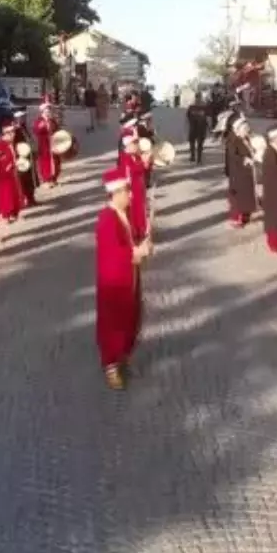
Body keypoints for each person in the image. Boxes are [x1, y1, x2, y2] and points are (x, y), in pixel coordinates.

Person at [95, 167, 151, 390]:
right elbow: (113, 253)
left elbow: (127, 244)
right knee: (113, 323)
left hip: (129, 278)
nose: (131, 195)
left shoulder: (121, 215)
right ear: (116, 193)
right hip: (114, 283)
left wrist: (140, 246)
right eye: (127, 191)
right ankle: (110, 365)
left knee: (130, 318)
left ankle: (124, 357)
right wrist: (136, 253)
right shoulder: (107, 219)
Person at [118, 128, 151, 242]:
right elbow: (131, 171)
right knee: (133, 213)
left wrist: (147, 163)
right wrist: (143, 163)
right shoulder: (125, 158)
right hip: (132, 190)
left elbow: (142, 170)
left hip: (139, 189)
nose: (137, 145)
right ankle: (134, 233)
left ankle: (140, 231)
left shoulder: (135, 156)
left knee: (140, 210)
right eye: (135, 143)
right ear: (128, 145)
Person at [225, 116, 257, 227]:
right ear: (237, 129)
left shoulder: (246, 139)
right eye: (245, 129)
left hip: (246, 172)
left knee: (247, 194)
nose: (247, 130)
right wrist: (244, 159)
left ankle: (246, 213)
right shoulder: (233, 141)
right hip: (237, 173)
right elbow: (233, 156)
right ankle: (237, 217)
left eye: (247, 128)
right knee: (238, 197)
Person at [0, 122, 25, 223]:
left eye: (13, 132)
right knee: (6, 195)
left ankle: (14, 213)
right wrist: (6, 165)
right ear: (5, 134)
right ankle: (7, 215)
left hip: (12, 173)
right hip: (3, 176)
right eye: (9, 132)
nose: (13, 134)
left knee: (15, 193)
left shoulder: (11, 143)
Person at [11, 109, 38, 207]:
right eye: (21, 118)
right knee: (24, 180)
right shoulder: (15, 131)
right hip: (22, 158)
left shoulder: (24, 128)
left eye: (24, 117)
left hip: (29, 156)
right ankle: (26, 199)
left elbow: (29, 141)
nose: (23, 119)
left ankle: (32, 198)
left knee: (31, 179)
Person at [34, 103, 61, 187]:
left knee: (56, 161)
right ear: (42, 111)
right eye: (46, 110)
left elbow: (57, 130)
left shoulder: (52, 121)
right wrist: (41, 127)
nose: (48, 112)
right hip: (44, 145)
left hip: (53, 144)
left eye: (49, 110)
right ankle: (46, 180)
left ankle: (54, 178)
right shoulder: (39, 121)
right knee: (45, 162)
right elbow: (36, 131)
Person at [185, 94, 209, 163]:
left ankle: (199, 158)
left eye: (199, 98)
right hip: (193, 127)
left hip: (201, 128)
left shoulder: (204, 107)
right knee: (192, 142)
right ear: (195, 98)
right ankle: (192, 156)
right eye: (197, 98)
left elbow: (208, 116)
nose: (198, 99)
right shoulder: (191, 107)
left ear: (201, 98)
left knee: (200, 144)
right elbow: (188, 116)